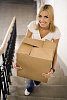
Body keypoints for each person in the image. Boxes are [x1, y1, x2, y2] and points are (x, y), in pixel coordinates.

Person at [24, 4, 61, 96]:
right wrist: (19, 60)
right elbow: (25, 43)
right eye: (40, 16)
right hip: (31, 53)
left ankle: (36, 81)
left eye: (46, 17)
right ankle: (29, 87)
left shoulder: (55, 31)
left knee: (38, 79)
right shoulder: (33, 25)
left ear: (51, 18)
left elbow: (55, 52)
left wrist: (52, 69)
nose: (42, 20)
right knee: (30, 83)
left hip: (44, 57)